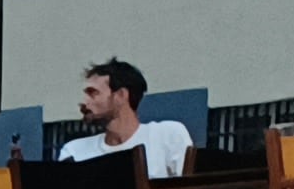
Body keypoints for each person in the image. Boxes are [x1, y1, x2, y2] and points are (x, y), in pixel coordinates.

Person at [58, 57, 193, 179]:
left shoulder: (168, 135)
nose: (84, 102)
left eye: (93, 93)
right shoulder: (75, 151)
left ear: (121, 95)